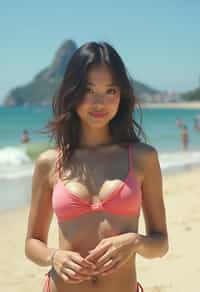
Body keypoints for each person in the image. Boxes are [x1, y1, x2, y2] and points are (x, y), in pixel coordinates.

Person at [25, 42, 168, 292]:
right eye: (89, 90)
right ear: (73, 91)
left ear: (121, 95)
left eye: (110, 91)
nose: (99, 102)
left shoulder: (142, 158)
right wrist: (53, 257)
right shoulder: (49, 163)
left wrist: (135, 241)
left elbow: (161, 243)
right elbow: (32, 243)